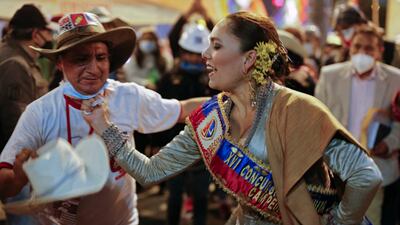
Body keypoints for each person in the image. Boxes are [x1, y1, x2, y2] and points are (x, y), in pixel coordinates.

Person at [83, 11, 382, 225]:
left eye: (216, 46)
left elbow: (366, 176)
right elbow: (149, 172)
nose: (204, 54)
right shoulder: (211, 117)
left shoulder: (298, 109)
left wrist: (341, 221)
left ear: (249, 59)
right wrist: (106, 129)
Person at [0, 12, 206, 225]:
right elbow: (5, 185)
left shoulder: (128, 96)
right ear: (60, 63)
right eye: (80, 59)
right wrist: (19, 177)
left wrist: (231, 101)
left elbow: (182, 110)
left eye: (101, 57)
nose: (94, 68)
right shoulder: (40, 113)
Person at [315, 25, 400, 225]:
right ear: (350, 47)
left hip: (375, 168)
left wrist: (390, 143)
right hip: (332, 168)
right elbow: (317, 118)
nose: (362, 53)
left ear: (380, 51)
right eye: (357, 46)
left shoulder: (396, 80)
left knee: (370, 220)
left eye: (369, 48)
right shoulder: (330, 75)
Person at [150, 22, 216, 225]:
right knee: (174, 195)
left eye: (198, 54)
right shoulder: (169, 78)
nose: (194, 58)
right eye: (190, 53)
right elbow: (160, 114)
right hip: (174, 148)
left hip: (205, 149)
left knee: (201, 197)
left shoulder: (214, 80)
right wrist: (157, 143)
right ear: (182, 52)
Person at [0, 4, 53, 151]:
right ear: (36, 34)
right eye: (48, 31)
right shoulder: (16, 64)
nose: (51, 37)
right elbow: (17, 124)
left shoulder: (11, 54)